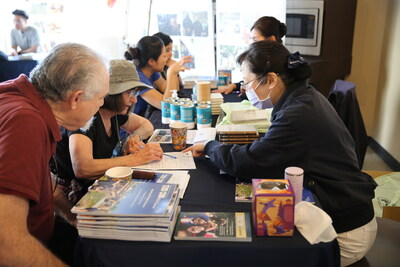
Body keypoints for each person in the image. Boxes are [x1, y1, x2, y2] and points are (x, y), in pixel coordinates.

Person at [185, 40, 377, 266]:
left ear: (271, 79)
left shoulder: (296, 114)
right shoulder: (304, 96)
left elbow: (252, 161)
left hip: (344, 232)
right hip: (341, 208)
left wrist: (210, 147)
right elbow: (267, 151)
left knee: (257, 254)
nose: (245, 90)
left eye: (248, 83)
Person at [0, 43, 109, 266]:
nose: (102, 105)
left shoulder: (18, 94)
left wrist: (70, 214)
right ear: (76, 98)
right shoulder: (25, 124)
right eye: (101, 98)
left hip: (46, 230)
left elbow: (42, 178)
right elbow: (6, 244)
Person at [54, 59, 163, 205]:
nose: (135, 100)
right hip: (70, 197)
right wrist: (138, 158)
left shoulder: (116, 113)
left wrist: (134, 137)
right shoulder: (87, 117)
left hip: (95, 185)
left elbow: (146, 125)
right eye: (130, 92)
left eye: (136, 93)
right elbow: (82, 168)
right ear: (112, 92)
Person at [215, 16, 287, 95]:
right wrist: (235, 85)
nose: (252, 45)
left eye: (255, 40)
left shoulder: (280, 64)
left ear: (271, 40)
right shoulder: (266, 60)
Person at [124, 36, 192, 118]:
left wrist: (174, 71)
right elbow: (166, 106)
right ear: (152, 61)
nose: (166, 58)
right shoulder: (137, 78)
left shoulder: (151, 71)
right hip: (129, 127)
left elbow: (173, 91)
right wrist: (171, 72)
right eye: (164, 56)